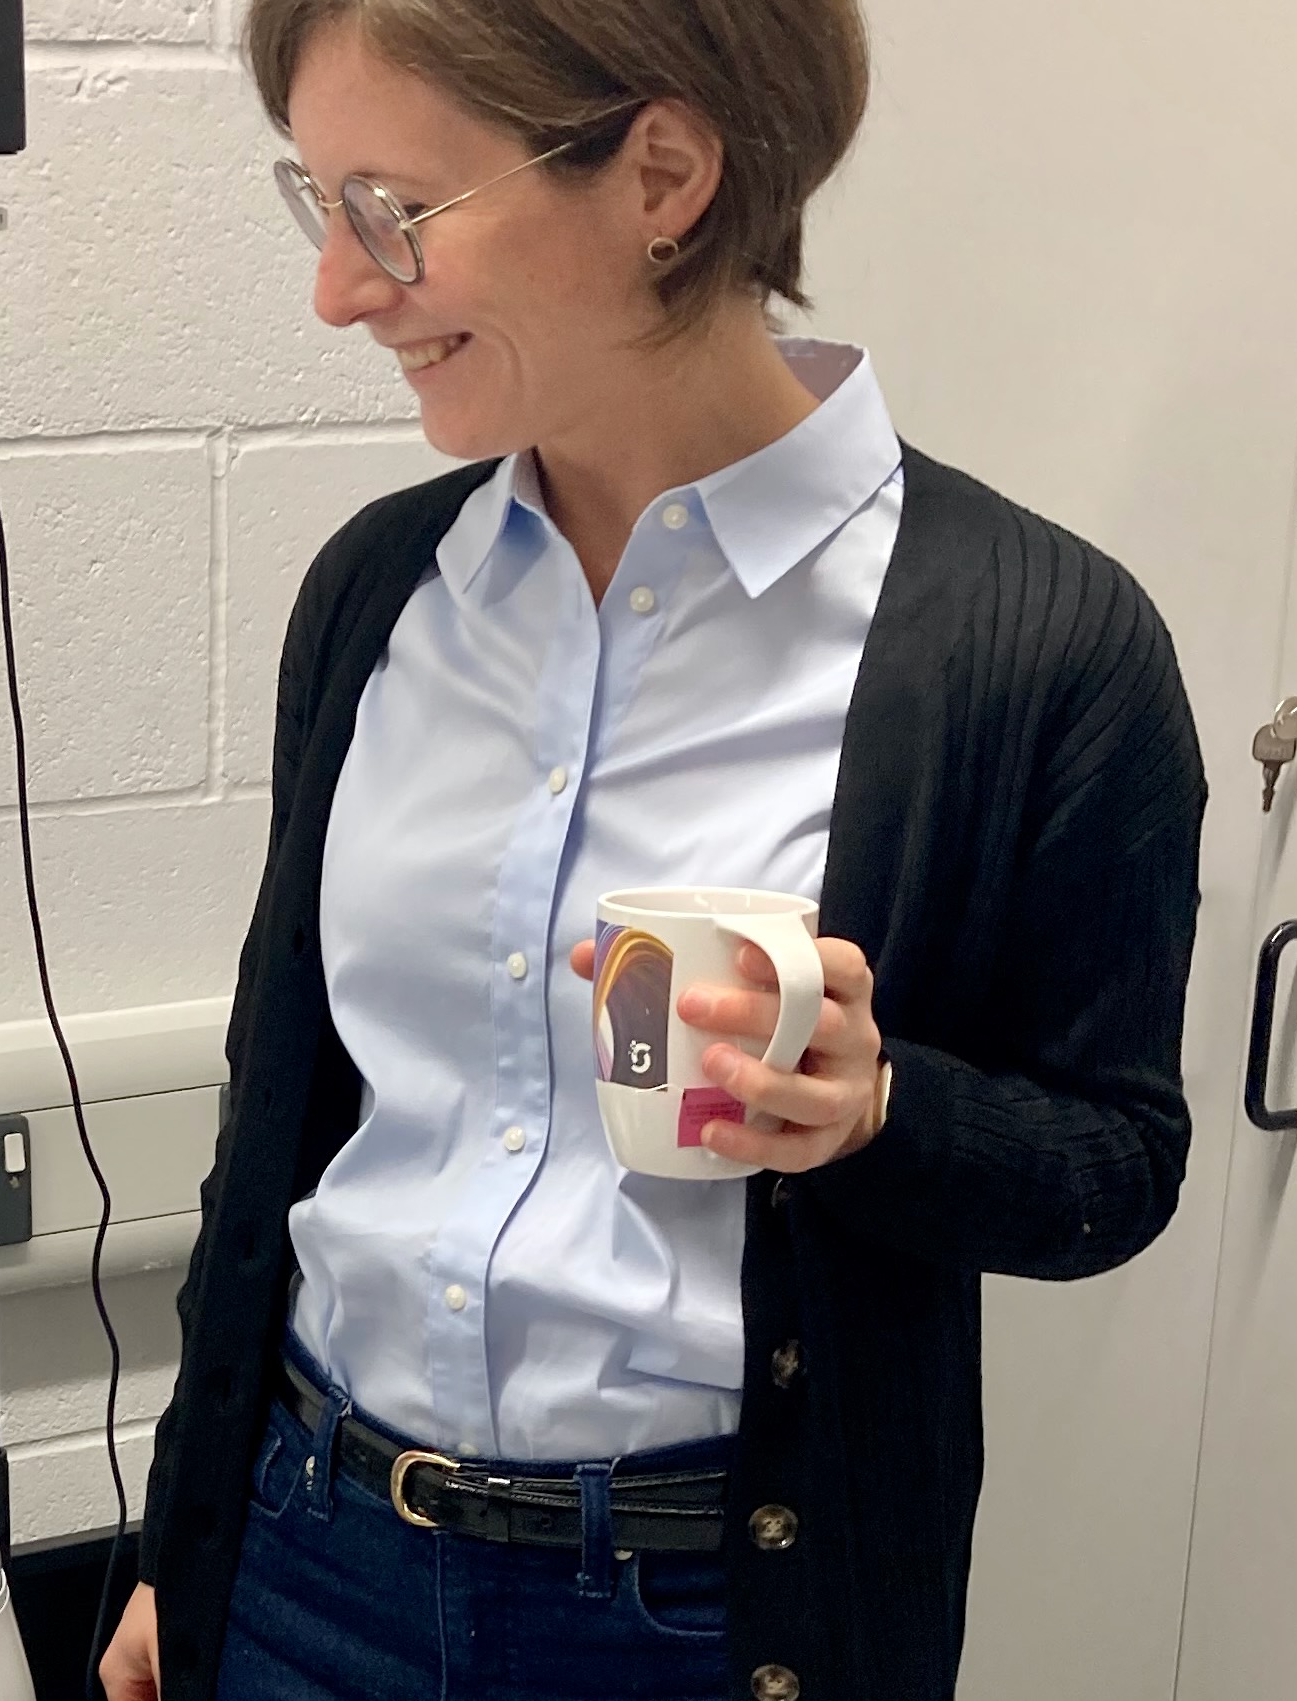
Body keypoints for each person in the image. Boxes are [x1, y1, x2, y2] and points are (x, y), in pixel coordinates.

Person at [99, 0, 1208, 1697]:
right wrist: (189, 1544)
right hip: (304, 1560)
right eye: (314, 205)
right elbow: (283, 1116)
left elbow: (1117, 1164)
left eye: (391, 210)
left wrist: (878, 1107)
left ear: (663, 175)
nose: (337, 287)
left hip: (699, 1625)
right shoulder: (376, 597)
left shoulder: (1034, 648)